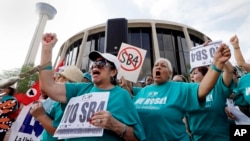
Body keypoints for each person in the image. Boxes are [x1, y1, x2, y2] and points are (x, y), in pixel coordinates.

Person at [38, 33, 146, 141]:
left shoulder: (122, 96)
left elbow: (137, 138)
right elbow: (48, 86)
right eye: (93, 64)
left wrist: (115, 125)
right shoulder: (80, 89)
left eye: (101, 63)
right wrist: (47, 49)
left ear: (113, 72)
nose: (95, 66)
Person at [133, 43, 231, 141]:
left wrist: (217, 64)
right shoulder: (142, 91)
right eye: (156, 65)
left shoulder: (179, 88)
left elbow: (202, 89)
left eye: (163, 66)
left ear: (170, 74)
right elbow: (125, 91)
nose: (158, 67)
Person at [30, 65, 83, 141]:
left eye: (59, 76)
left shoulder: (69, 102)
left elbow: (59, 132)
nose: (56, 78)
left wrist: (41, 116)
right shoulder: (59, 100)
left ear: (65, 80)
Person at [186, 59, 234, 141]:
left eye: (195, 73)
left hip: (221, 137)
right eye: (191, 73)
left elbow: (229, 72)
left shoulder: (217, 86)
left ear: (205, 75)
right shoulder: (188, 91)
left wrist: (223, 59)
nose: (191, 76)